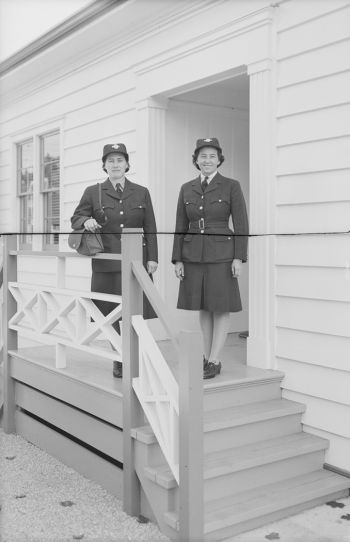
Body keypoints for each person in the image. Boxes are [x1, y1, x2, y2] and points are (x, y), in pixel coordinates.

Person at [71, 143, 158, 377]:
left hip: (136, 261)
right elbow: (76, 217)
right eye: (111, 161)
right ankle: (119, 356)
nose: (116, 165)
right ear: (104, 165)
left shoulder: (141, 192)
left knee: (136, 311)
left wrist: (153, 258)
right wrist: (85, 222)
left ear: (127, 164)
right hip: (106, 261)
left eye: (120, 160)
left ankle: (137, 354)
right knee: (110, 312)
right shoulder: (93, 191)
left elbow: (150, 226)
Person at [172, 138, 248, 379]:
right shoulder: (187, 188)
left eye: (212, 156)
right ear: (196, 160)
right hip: (193, 253)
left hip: (222, 254)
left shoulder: (231, 185)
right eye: (202, 156)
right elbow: (180, 225)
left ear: (219, 159)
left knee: (220, 305)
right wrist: (178, 259)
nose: (207, 160)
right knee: (203, 306)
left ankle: (215, 359)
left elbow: (241, 223)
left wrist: (239, 257)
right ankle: (205, 356)